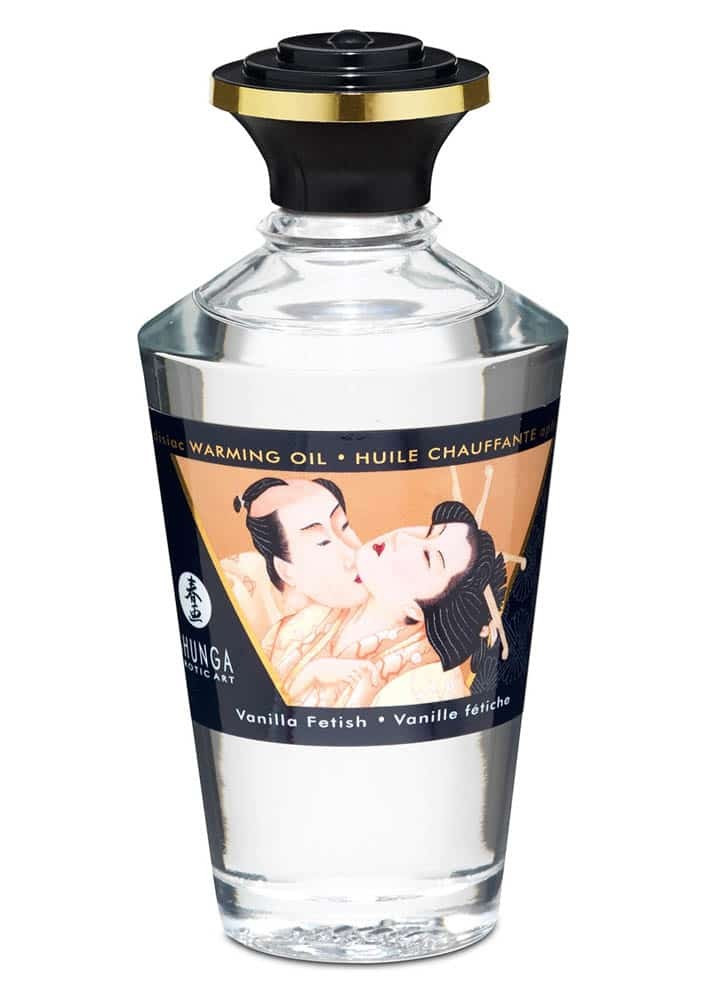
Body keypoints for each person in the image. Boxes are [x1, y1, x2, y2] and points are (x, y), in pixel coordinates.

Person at [265, 499, 507, 708]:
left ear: (418, 610)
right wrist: (313, 672)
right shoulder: (318, 611)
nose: (403, 537)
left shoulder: (427, 683)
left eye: (427, 557)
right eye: (429, 531)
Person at [227, 477, 365, 624]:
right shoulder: (242, 595)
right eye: (322, 542)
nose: (353, 555)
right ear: (286, 570)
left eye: (344, 526)